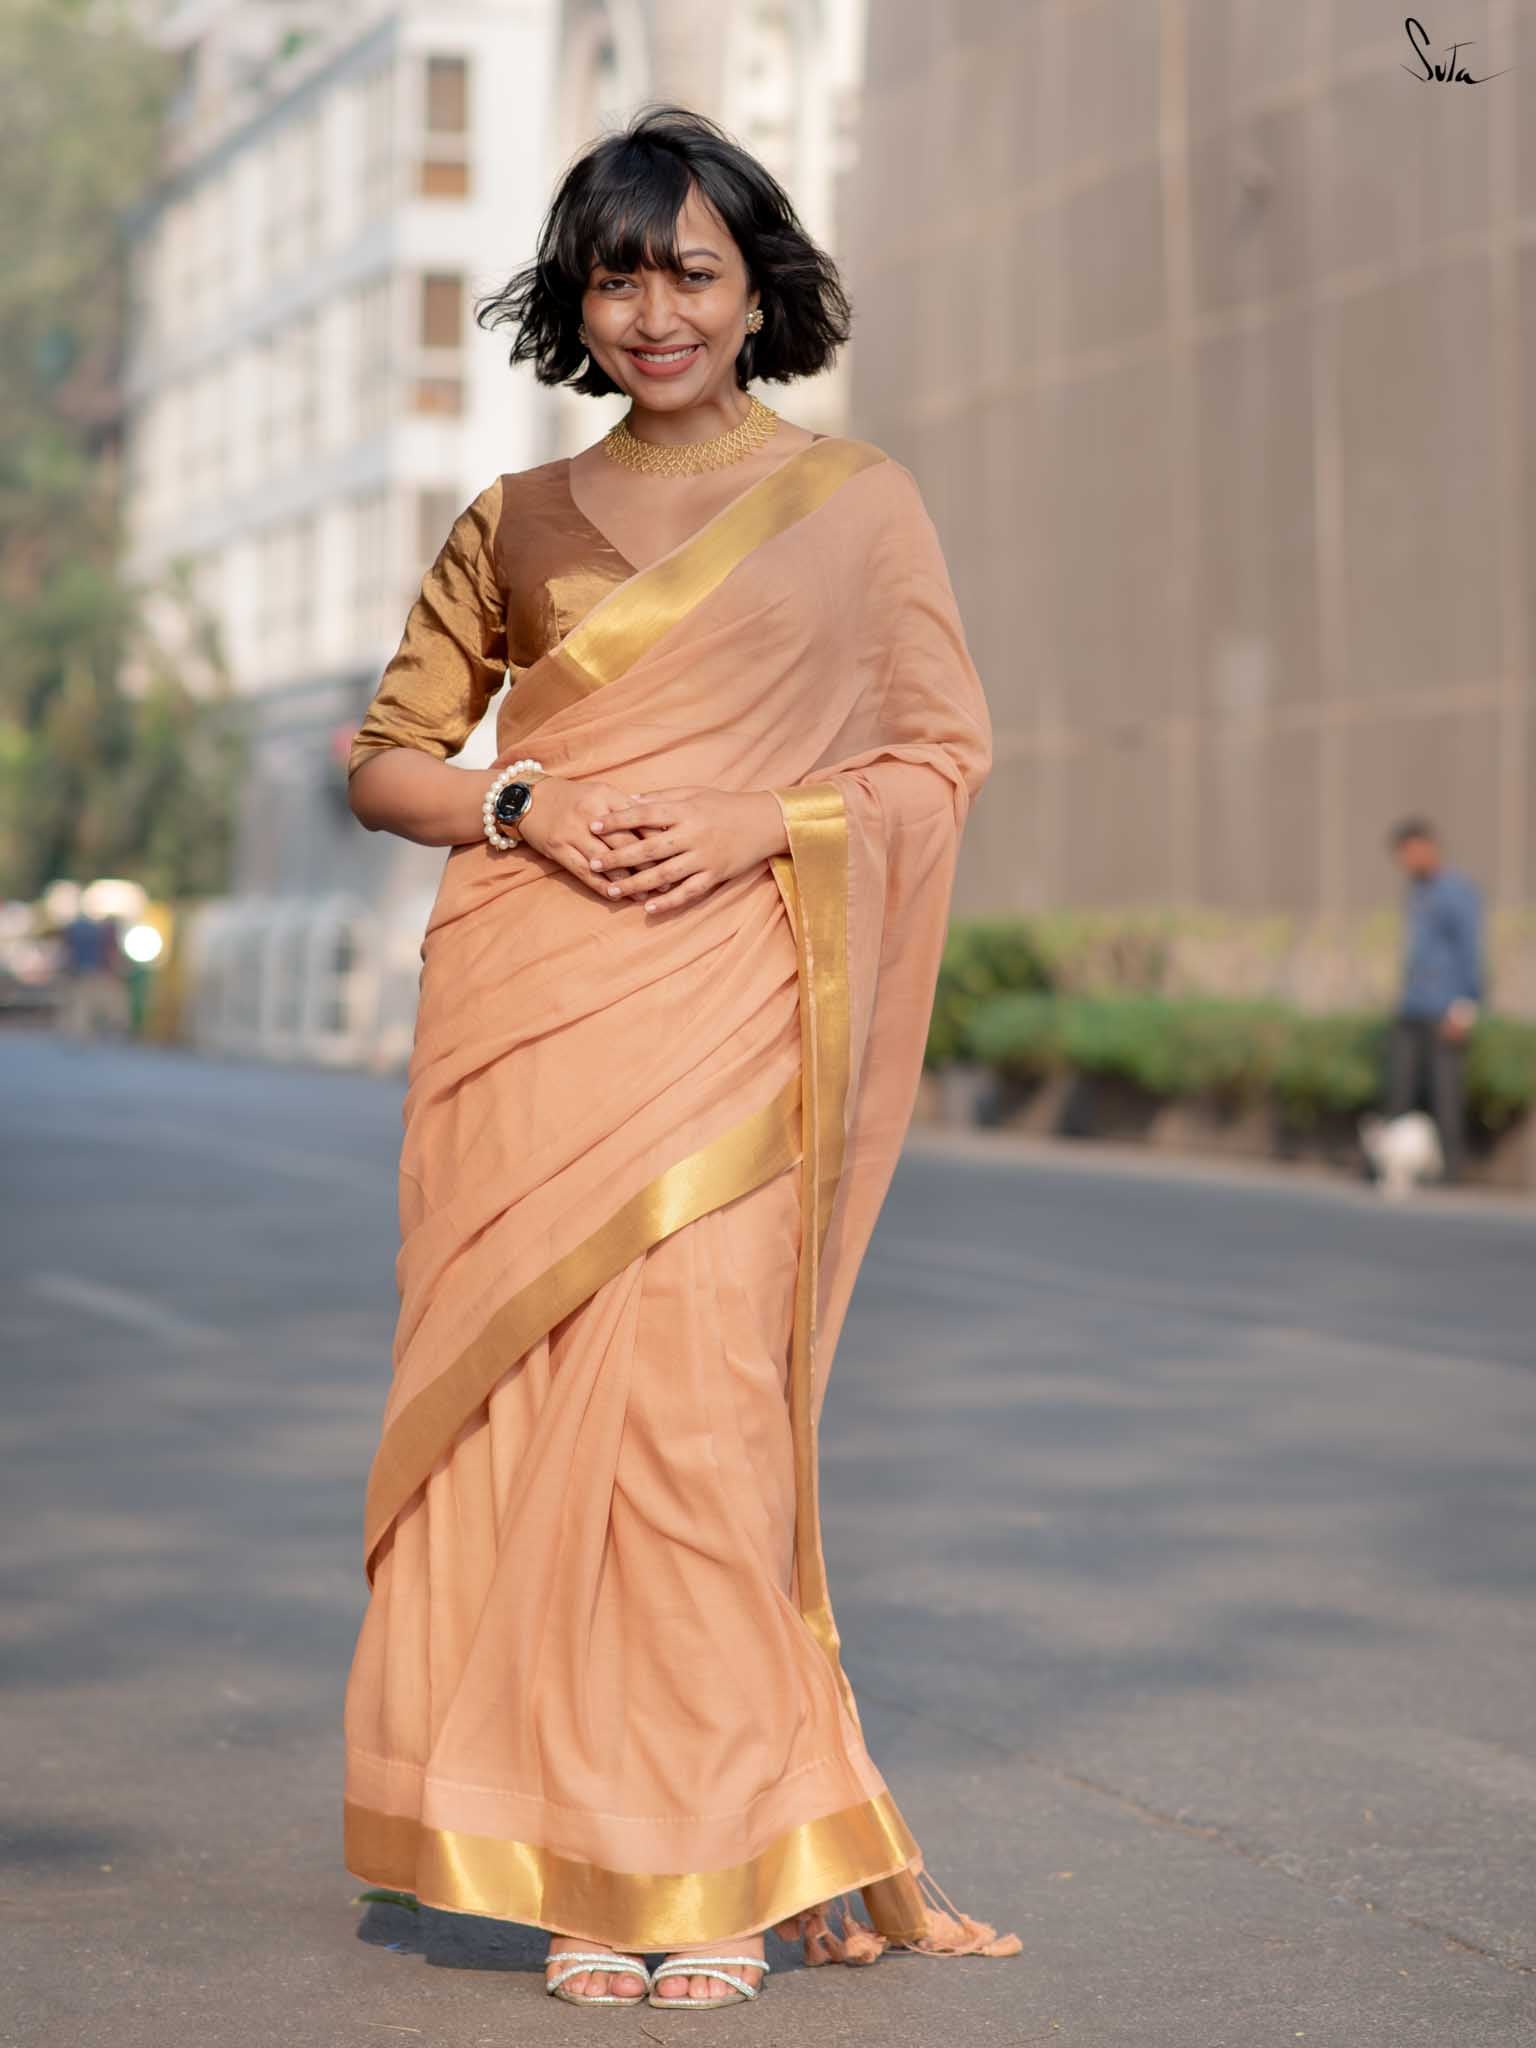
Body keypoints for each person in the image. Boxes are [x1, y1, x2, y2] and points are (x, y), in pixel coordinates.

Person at [340, 104, 1020, 2012]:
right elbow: (389, 759)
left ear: (757, 289)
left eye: (691, 273)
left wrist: (759, 821)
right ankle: (586, 1857)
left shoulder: (856, 506)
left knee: (697, 1437)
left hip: (735, 1007)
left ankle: (710, 1848)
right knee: (539, 1442)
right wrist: (524, 798)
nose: (654, 311)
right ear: (574, 301)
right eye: (616, 276)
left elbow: (938, 754)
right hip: (533, 1019)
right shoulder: (516, 521)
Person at [1384, 816, 1484, 1185]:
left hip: (1444, 1008)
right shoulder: (1417, 892)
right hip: (1412, 1006)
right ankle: (1392, 1164)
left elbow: (1471, 951)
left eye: (1410, 853)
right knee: (1399, 1086)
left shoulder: (1456, 892)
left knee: (1445, 1093)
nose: (1406, 862)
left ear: (1428, 847)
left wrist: (1464, 1007)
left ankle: (1451, 1168)